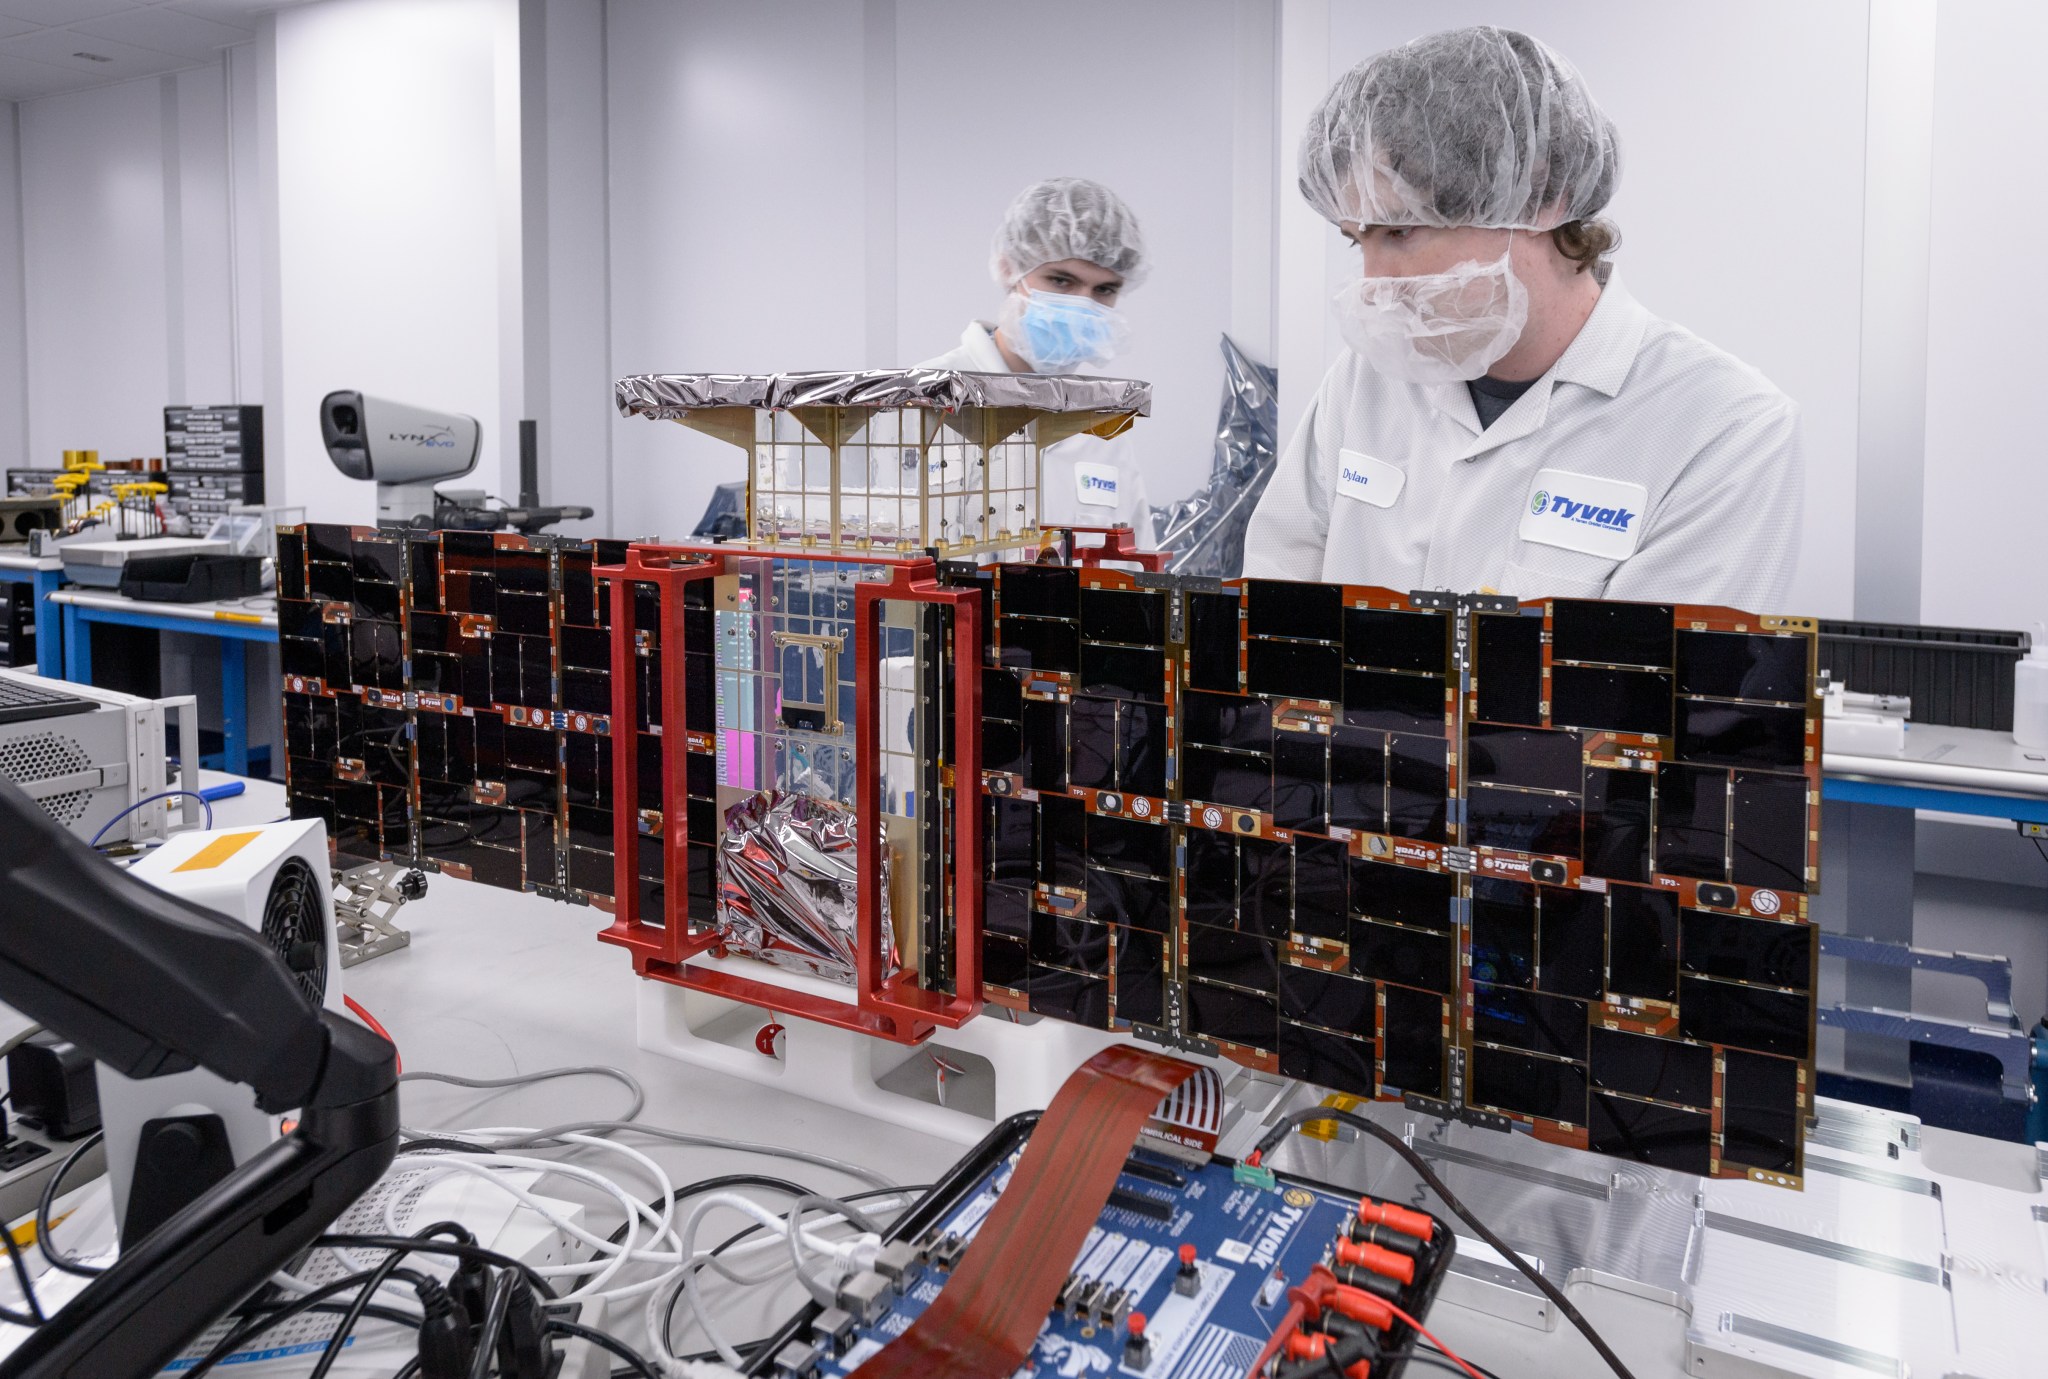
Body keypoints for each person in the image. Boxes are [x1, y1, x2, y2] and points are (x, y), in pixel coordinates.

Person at [1244, 27, 1803, 610]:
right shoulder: (1366, 380)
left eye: (1400, 230)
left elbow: (1647, 687)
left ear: (1540, 197)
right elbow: (1278, 585)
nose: (1374, 285)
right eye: (1356, 239)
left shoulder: (1723, 428)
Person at [919, 177, 1154, 544]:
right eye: (1061, 281)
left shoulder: (1105, 427)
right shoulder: (926, 398)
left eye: (1104, 290)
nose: (1082, 304)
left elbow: (1132, 563)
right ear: (1010, 268)